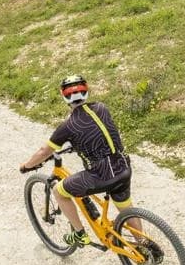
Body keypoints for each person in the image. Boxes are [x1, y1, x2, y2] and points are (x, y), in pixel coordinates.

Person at [19, 75, 134, 248]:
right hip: (123, 167)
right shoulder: (101, 108)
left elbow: (44, 152)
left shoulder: (68, 126)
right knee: (126, 209)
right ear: (87, 92)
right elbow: (98, 132)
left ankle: (79, 234)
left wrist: (26, 166)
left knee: (59, 191)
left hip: (102, 175)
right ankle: (144, 245)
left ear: (64, 96)